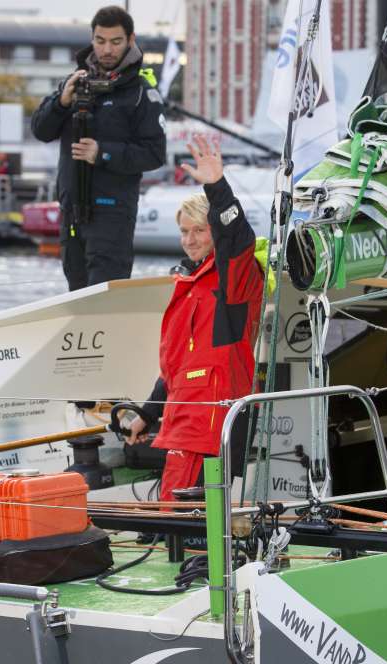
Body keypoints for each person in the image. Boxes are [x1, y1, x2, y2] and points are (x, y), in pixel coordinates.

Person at [125, 135, 265, 502]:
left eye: (199, 230)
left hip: (210, 418)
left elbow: (236, 238)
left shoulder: (234, 279)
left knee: (183, 516)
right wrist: (146, 413)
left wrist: (217, 187)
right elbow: (175, 365)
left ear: (213, 232)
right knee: (177, 515)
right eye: (184, 231)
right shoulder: (188, 282)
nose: (190, 239)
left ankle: (197, 559)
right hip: (183, 416)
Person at [31, 5, 167, 291]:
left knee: (105, 298)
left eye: (116, 42)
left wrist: (102, 153)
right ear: (92, 39)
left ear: (131, 40)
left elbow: (154, 153)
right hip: (72, 211)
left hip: (112, 213)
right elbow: (41, 131)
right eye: (100, 41)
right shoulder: (74, 83)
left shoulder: (141, 93)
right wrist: (61, 103)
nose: (107, 49)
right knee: (77, 295)